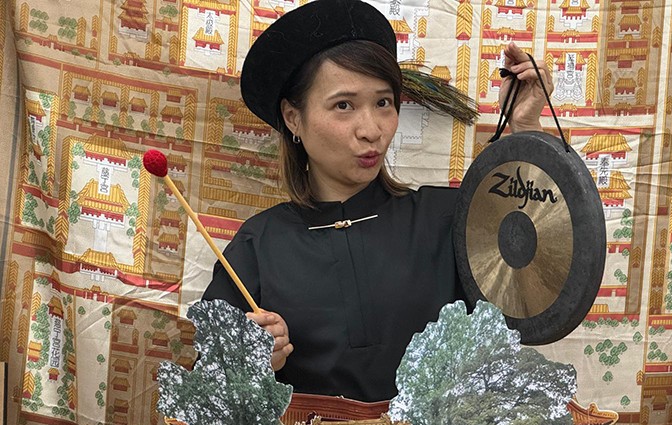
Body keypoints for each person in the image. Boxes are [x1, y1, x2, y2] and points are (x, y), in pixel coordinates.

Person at [203, 0, 554, 403]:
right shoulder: (258, 247)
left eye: (383, 103)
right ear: (293, 117)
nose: (371, 130)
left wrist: (526, 127)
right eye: (344, 105)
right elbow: (206, 395)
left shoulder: (449, 218)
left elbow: (540, 263)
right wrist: (249, 363)